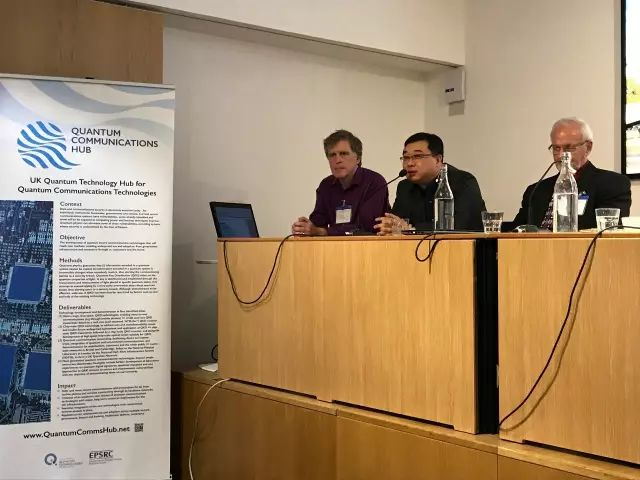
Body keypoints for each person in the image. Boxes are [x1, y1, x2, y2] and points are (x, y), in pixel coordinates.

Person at [513, 117, 632, 230]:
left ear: (588, 147)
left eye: (568, 148)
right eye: (556, 148)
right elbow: (514, 232)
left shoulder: (612, 184)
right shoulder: (536, 190)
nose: (561, 155)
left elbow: (608, 232)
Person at [375, 132, 486, 234]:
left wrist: (412, 230)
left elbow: (459, 225)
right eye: (406, 157)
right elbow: (397, 222)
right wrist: (390, 226)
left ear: (438, 160)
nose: (409, 163)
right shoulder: (404, 187)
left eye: (417, 156)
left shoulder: (463, 181)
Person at [291, 130, 390, 235]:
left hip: (370, 244)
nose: (337, 160)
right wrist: (304, 228)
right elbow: (318, 223)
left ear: (358, 158)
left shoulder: (374, 182)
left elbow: (366, 227)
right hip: (335, 244)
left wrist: (322, 232)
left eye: (343, 154)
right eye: (332, 155)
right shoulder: (326, 185)